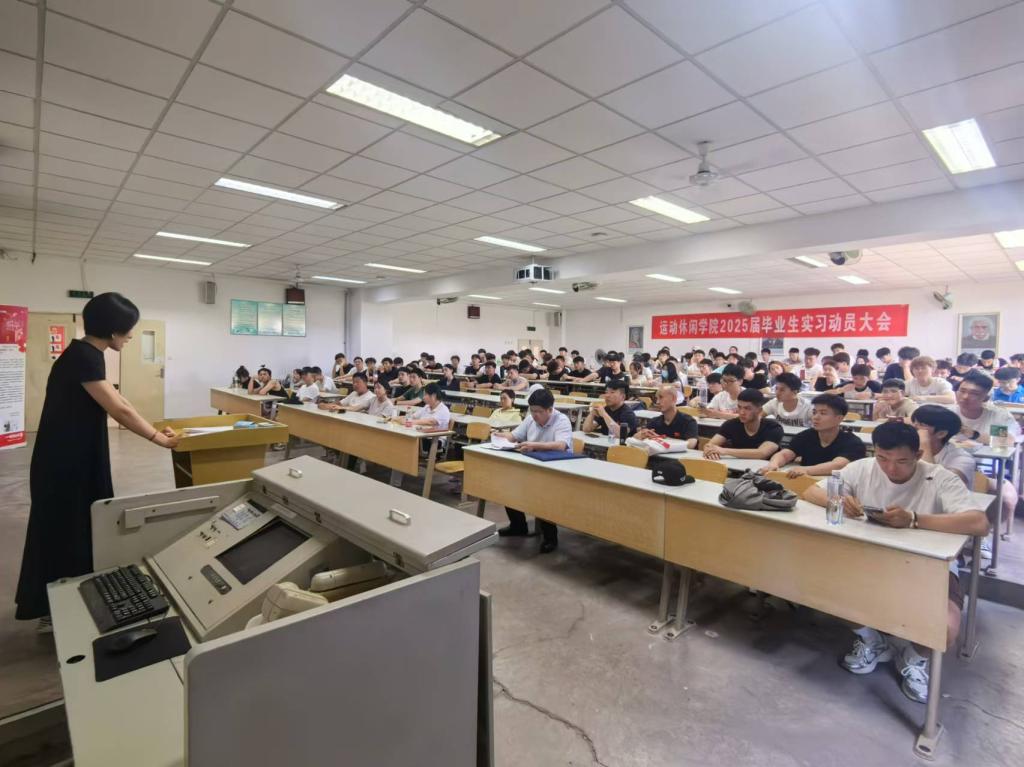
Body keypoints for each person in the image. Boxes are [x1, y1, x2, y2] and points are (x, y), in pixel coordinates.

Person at [15, 293, 180, 629]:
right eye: (128, 330)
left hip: (72, 455)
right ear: (113, 329)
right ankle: (54, 610)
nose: (130, 336)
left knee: (79, 526)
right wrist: (158, 440)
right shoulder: (85, 357)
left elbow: (120, 400)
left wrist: (154, 427)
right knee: (67, 530)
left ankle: (64, 603)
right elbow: (118, 410)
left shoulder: (86, 354)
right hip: (66, 462)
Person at [803, 422, 988, 703]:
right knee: (823, 589)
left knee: (945, 627)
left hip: (927, 562)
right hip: (868, 555)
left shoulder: (939, 477)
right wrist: (839, 499)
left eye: (902, 461)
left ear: (918, 454)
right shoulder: (862, 467)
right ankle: (872, 641)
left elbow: (979, 523)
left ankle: (913, 657)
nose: (890, 468)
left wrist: (914, 519)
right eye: (883, 458)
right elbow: (810, 492)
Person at [499, 388, 573, 553]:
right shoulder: (530, 418)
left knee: (543, 495)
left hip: (556, 469)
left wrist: (534, 445)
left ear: (550, 409)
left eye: (538, 411)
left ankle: (550, 538)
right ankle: (518, 526)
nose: (534, 415)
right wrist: (500, 437)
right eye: (532, 411)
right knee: (508, 486)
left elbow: (561, 445)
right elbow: (514, 436)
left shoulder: (562, 420)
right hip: (533, 465)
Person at [761, 394, 865, 477]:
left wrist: (806, 470)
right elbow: (785, 454)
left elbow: (838, 465)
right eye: (814, 412)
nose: (815, 417)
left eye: (823, 413)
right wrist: (773, 464)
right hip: (804, 483)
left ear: (839, 418)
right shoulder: (806, 436)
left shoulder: (852, 442)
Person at [703, 388, 783, 460]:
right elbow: (709, 446)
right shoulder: (731, 424)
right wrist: (710, 451)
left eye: (747, 408)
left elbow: (762, 453)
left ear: (759, 410)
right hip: (737, 468)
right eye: (739, 407)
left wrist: (724, 451)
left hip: (764, 469)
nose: (741, 412)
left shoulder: (773, 428)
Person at [949, 370, 1021, 444]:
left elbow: (1004, 441)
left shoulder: (996, 416)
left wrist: (973, 434)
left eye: (974, 393)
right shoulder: (949, 413)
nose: (965, 397)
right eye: (962, 391)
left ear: (986, 398)